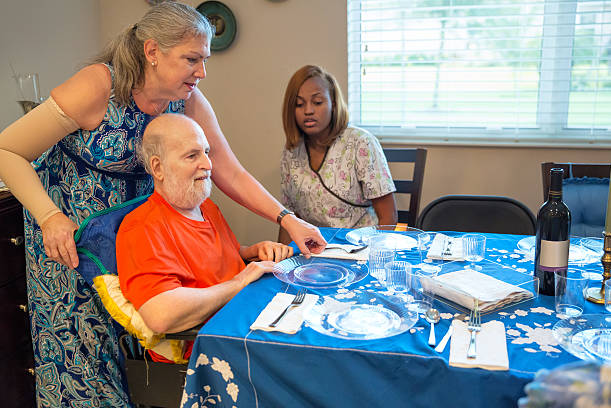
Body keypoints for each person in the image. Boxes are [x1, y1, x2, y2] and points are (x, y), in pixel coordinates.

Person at [0, 3, 323, 406]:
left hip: (134, 234)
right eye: (192, 59)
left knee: (139, 353)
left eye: (204, 60)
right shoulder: (98, 86)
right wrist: (49, 216)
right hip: (69, 239)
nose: (201, 72)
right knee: (85, 361)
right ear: (153, 51)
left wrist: (287, 219)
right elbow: (8, 150)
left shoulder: (186, 99)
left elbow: (229, 171)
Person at [117, 114, 293, 361]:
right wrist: (240, 282)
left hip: (244, 318)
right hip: (213, 348)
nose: (208, 165)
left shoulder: (205, 206)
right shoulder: (141, 227)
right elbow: (161, 314)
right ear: (158, 168)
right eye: (192, 156)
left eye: (206, 152)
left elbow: (213, 259)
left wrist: (251, 251)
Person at [278, 65, 398, 244]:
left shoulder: (361, 142)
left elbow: (389, 218)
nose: (308, 111)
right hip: (313, 254)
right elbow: (290, 220)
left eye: (317, 102)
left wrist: (370, 256)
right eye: (299, 104)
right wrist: (281, 261)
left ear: (333, 104)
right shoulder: (292, 152)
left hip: (359, 250)